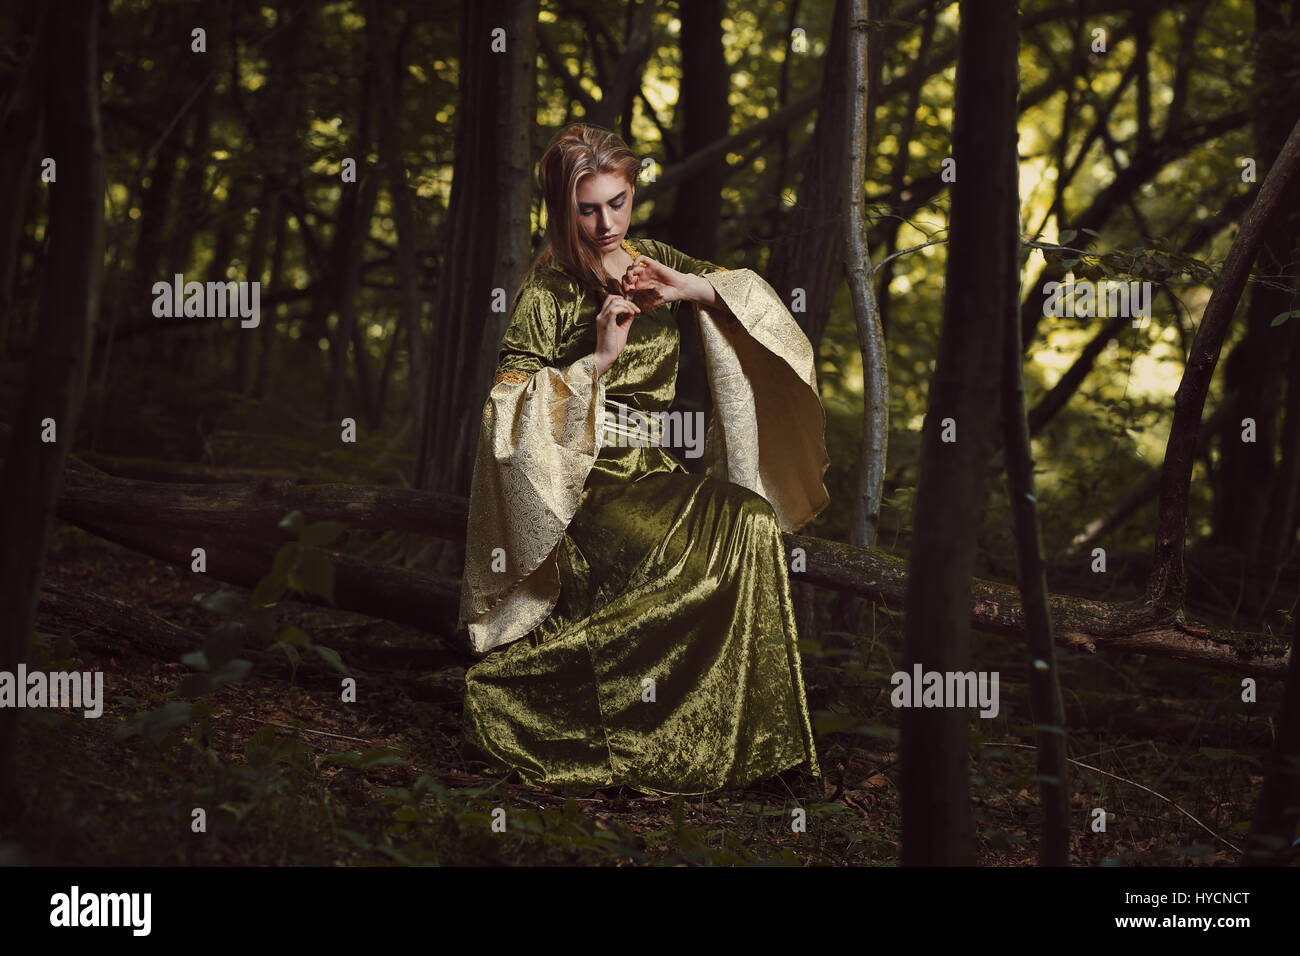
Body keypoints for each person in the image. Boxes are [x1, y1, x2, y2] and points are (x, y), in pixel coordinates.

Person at [458, 123, 831, 796]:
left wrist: (689, 288)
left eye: (618, 202)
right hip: (584, 486)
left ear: (633, 193)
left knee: (750, 521)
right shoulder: (548, 291)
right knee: (714, 545)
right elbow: (504, 408)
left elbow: (754, 305)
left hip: (654, 473)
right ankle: (643, 739)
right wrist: (596, 361)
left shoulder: (650, 256)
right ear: (562, 208)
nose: (606, 223)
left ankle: (757, 749)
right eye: (588, 208)